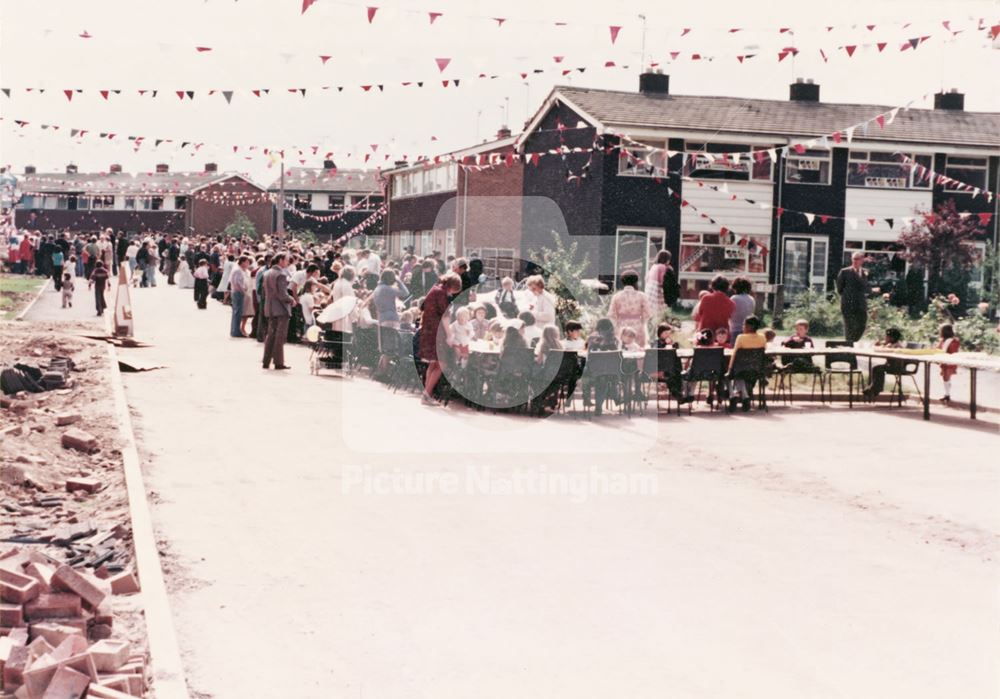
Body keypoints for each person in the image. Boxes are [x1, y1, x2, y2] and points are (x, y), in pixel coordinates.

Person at [419, 272, 462, 406]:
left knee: (433, 363)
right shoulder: (442, 293)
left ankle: (427, 393)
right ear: (452, 286)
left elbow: (422, 307)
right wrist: (449, 335)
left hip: (428, 329)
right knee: (441, 363)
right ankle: (426, 394)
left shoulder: (434, 289)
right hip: (438, 332)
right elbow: (445, 316)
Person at [262, 253, 296, 370]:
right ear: (280, 260)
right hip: (281, 308)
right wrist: (291, 300)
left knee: (270, 335)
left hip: (270, 307)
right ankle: (278, 362)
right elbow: (282, 294)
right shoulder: (281, 274)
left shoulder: (267, 273)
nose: (287, 263)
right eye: (286, 260)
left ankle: (266, 361)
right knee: (279, 336)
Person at [728, 315, 767, 412]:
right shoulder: (762, 337)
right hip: (756, 370)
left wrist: (729, 368)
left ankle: (736, 395)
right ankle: (744, 396)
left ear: (750, 326)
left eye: (744, 325)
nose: (742, 327)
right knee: (739, 373)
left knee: (733, 373)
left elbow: (735, 354)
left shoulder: (741, 337)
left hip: (741, 370)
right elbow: (764, 351)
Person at [608, 272, 653, 347]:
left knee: (622, 351)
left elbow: (611, 315)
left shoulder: (616, 296)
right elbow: (647, 314)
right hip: (638, 327)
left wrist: (616, 326)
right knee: (639, 352)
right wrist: (642, 323)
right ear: (636, 281)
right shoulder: (642, 296)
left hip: (622, 327)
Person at [585, 318, 619, 416]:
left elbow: (589, 354)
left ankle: (598, 406)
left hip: (595, 370)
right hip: (612, 371)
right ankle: (615, 395)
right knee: (607, 378)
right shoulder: (615, 339)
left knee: (601, 379)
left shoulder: (592, 337)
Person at [862, 327, 904, 401]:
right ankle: (874, 389)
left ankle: (874, 389)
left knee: (878, 369)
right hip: (890, 365)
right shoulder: (890, 344)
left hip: (897, 367)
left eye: (887, 337)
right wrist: (879, 345)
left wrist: (880, 346)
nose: (885, 338)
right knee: (876, 368)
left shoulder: (896, 345)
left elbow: (883, 350)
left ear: (892, 338)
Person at [836, 251, 869, 342]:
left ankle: (853, 342)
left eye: (857, 259)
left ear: (862, 260)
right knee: (849, 328)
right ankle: (849, 349)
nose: (855, 261)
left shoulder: (865, 272)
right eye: (854, 259)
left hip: (861, 305)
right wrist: (848, 296)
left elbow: (865, 287)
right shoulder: (844, 272)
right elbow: (840, 289)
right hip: (848, 304)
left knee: (862, 325)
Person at [645, 250, 676, 322]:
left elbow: (646, 278)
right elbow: (664, 281)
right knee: (661, 312)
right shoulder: (663, 267)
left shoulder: (653, 266)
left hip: (649, 290)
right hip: (657, 291)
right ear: (667, 259)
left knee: (653, 312)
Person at [228, 256, 251, 338]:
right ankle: (236, 331)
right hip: (238, 292)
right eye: (247, 262)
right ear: (242, 262)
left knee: (237, 312)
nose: (248, 264)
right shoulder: (238, 270)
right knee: (237, 312)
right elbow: (237, 283)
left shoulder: (241, 270)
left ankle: (235, 330)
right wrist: (243, 291)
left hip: (238, 292)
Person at [937, 323, 960, 403]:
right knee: (945, 378)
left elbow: (952, 351)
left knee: (947, 377)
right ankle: (947, 394)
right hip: (944, 362)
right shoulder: (943, 340)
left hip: (949, 362)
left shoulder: (952, 341)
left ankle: (947, 395)